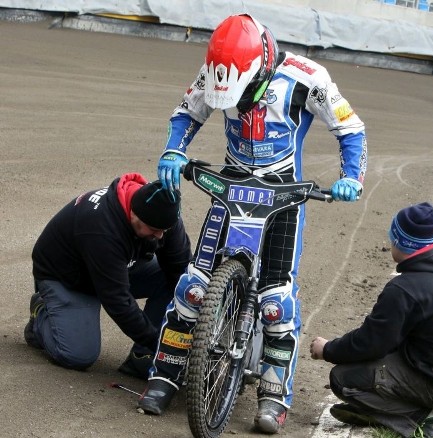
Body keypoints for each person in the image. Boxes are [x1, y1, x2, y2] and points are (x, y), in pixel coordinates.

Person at [138, 14, 368, 434]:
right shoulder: (216, 71)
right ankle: (164, 375)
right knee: (192, 289)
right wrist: (174, 150)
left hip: (284, 197)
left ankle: (274, 396)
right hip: (231, 187)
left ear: (260, 68)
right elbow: (186, 112)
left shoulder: (307, 77)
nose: (235, 103)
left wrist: (352, 177)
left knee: (277, 304)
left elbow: (350, 128)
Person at [310, 202, 433, 438]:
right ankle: (409, 410)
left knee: (343, 378)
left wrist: (328, 349)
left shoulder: (406, 288)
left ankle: (424, 417)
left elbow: (370, 343)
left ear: (401, 241)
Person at [25, 173, 191, 377]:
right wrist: (159, 344)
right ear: (134, 215)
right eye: (154, 230)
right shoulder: (101, 228)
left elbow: (180, 269)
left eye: (165, 230)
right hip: (67, 278)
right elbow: (117, 300)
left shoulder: (163, 212)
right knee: (77, 355)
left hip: (117, 266)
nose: (160, 236)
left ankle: (143, 357)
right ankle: (41, 310)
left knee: (180, 283)